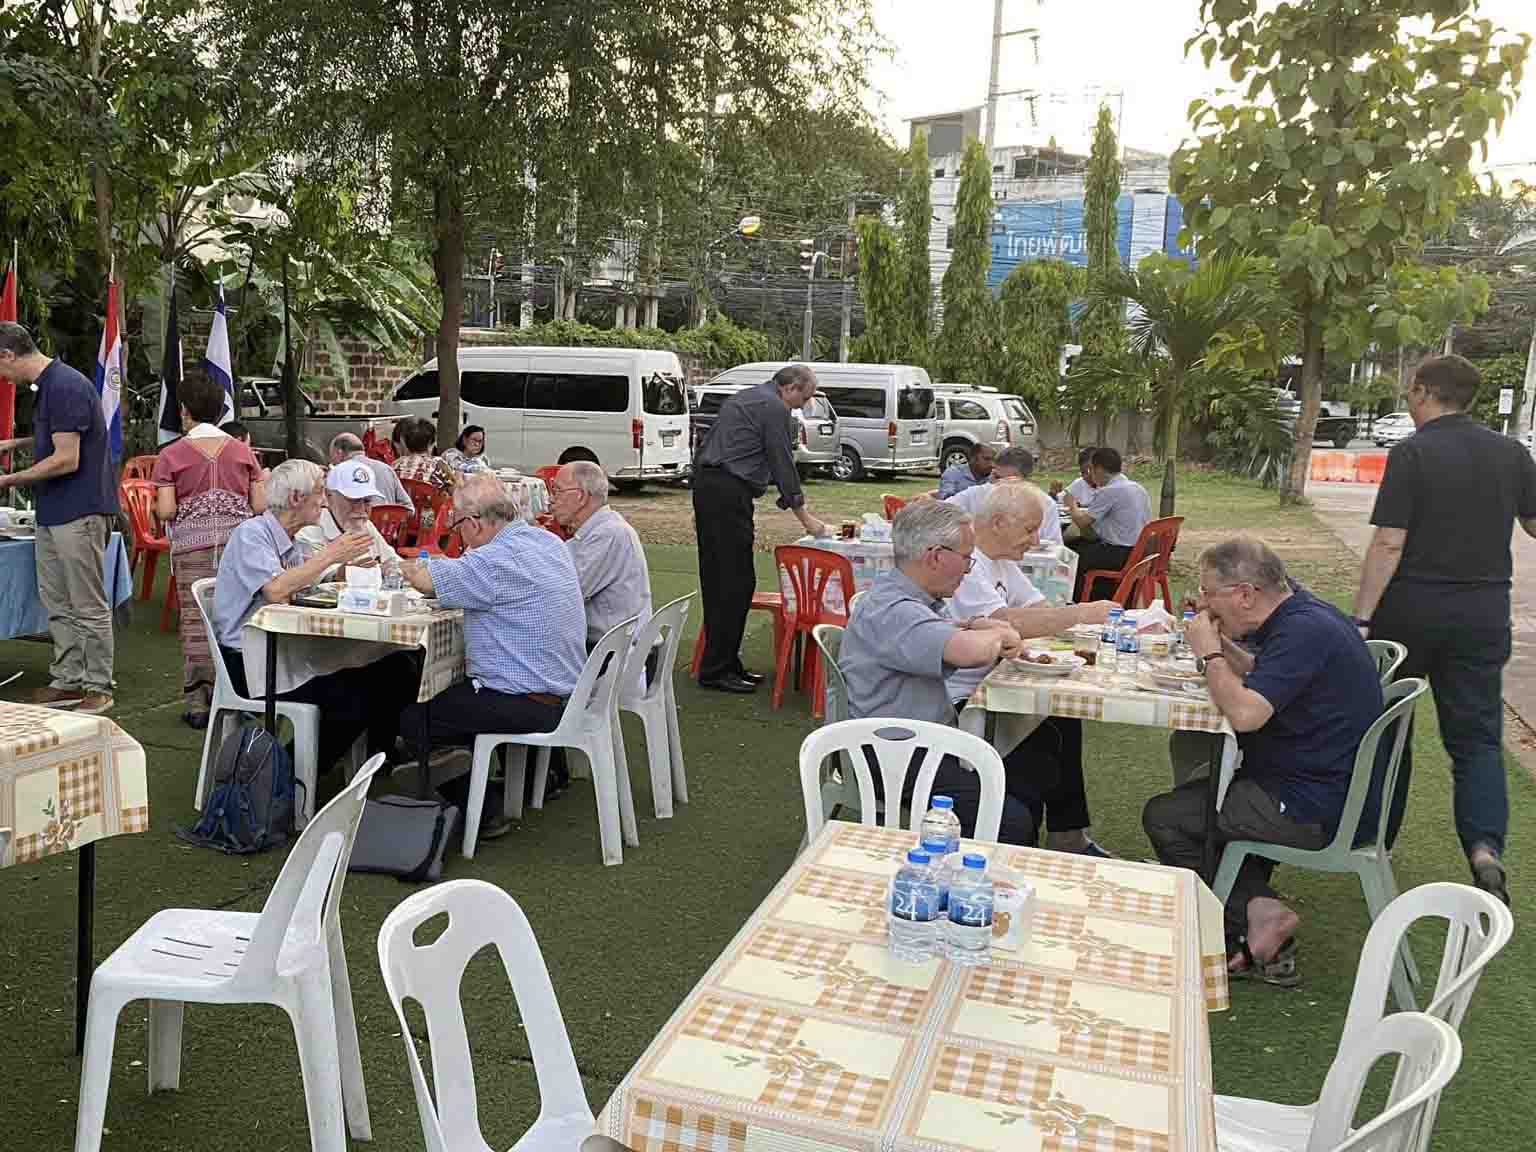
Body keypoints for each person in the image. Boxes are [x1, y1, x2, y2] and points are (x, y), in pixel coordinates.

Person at [1143, 537, 1382, 981]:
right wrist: (1221, 644)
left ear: (1245, 594)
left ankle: (1249, 921)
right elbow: (1263, 674)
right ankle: (1257, 908)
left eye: (1208, 593)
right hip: (1329, 787)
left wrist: (1210, 654)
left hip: (1317, 806)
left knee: (1168, 816)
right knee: (1201, 785)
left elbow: (1246, 714)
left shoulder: (1304, 632)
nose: (1203, 602)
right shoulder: (1305, 615)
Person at [1352, 355, 1536, 905]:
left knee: (1388, 727)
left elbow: (1390, 542)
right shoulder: (1512, 453)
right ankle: (1484, 851)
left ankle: (1373, 838)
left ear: (1423, 391)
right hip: (1482, 611)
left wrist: (1361, 618)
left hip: (1412, 609)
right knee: (1477, 740)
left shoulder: (1413, 453)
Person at [839, 500, 1054, 845]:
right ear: (936, 557)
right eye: (967, 557)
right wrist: (1001, 634)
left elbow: (934, 633)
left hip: (909, 742)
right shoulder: (895, 610)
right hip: (894, 754)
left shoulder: (899, 600)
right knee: (1010, 822)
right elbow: (970, 652)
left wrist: (976, 624)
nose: (969, 569)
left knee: (1031, 761)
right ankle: (977, 872)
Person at [212, 459, 419, 778]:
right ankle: (285, 777)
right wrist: (331, 555)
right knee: (354, 698)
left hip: (288, 649)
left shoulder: (290, 541)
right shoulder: (252, 533)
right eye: (320, 492)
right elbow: (277, 590)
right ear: (296, 498)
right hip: (252, 661)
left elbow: (306, 587)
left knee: (397, 667)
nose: (324, 501)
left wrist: (336, 571)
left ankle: (375, 760)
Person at [399, 474, 588, 822]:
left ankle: (484, 810)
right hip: (567, 691)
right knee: (457, 699)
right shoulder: (548, 542)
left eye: (458, 526)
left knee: (416, 718)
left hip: (526, 701)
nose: (459, 534)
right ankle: (513, 775)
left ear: (473, 524)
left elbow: (426, 581)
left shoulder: (491, 561)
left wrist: (403, 567)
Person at [946, 483, 1118, 854]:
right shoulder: (967, 564)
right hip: (965, 700)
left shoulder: (1001, 561)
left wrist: (1072, 618)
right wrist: (1083, 613)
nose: (1037, 539)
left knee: (1064, 716)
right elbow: (1007, 621)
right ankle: (1020, 841)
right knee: (1042, 754)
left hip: (997, 686)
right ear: (997, 522)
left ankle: (1066, 836)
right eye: (1029, 529)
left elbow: (1037, 609)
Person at [0, 322, 118, 713]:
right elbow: (57, 436)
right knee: (57, 601)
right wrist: (14, 443)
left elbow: (67, 458)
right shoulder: (49, 386)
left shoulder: (65, 386)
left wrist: (9, 480)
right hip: (54, 510)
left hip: (79, 509)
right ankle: (68, 679)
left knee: (86, 603)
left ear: (9, 355)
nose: (3, 377)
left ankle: (98, 685)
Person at [691, 363, 829, 694]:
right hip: (726, 493)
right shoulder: (773, 408)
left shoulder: (748, 397)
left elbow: (716, 447)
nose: (803, 406)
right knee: (733, 583)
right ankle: (716, 670)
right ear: (790, 388)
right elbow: (781, 460)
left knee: (723, 580)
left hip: (713, 488)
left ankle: (724, 663)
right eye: (804, 398)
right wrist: (805, 517)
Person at [153, 376, 266, 728]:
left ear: (184, 410)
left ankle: (199, 703)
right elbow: (260, 504)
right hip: (239, 549)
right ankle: (240, 693)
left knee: (196, 621)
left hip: (193, 549)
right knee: (239, 618)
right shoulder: (243, 452)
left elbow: (167, 510)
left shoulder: (170, 455)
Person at [551, 460, 655, 676]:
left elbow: (563, 596)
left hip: (617, 655)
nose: (551, 500)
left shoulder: (608, 534)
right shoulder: (598, 530)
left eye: (557, 491)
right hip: (615, 646)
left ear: (580, 496)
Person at [295, 461, 400, 581]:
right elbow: (318, 579)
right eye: (354, 500)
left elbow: (392, 560)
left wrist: (399, 568)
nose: (361, 509)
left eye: (367, 501)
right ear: (328, 496)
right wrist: (340, 575)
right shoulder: (309, 530)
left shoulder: (365, 525)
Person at [1068, 446, 1150, 598]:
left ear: (1098, 469)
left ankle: (1078, 601)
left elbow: (1082, 522)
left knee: (1070, 555)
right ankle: (1100, 595)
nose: (1090, 475)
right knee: (1079, 545)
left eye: (1091, 470)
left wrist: (1071, 504)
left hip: (1118, 554)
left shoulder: (1110, 490)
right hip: (1138, 551)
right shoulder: (1138, 488)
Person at [945, 446, 1062, 545]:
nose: (999, 484)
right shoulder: (977, 494)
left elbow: (1054, 547)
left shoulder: (1045, 504)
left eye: (1009, 480)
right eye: (996, 477)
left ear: (1026, 480)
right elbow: (941, 512)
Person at [392, 417, 456, 536]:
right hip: (429, 524)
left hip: (403, 522)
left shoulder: (395, 465)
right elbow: (455, 492)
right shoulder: (439, 464)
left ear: (405, 442)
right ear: (431, 443)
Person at [329, 431, 410, 508]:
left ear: (339, 453)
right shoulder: (387, 469)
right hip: (388, 517)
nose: (333, 463)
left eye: (333, 459)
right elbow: (408, 507)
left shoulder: (338, 473)